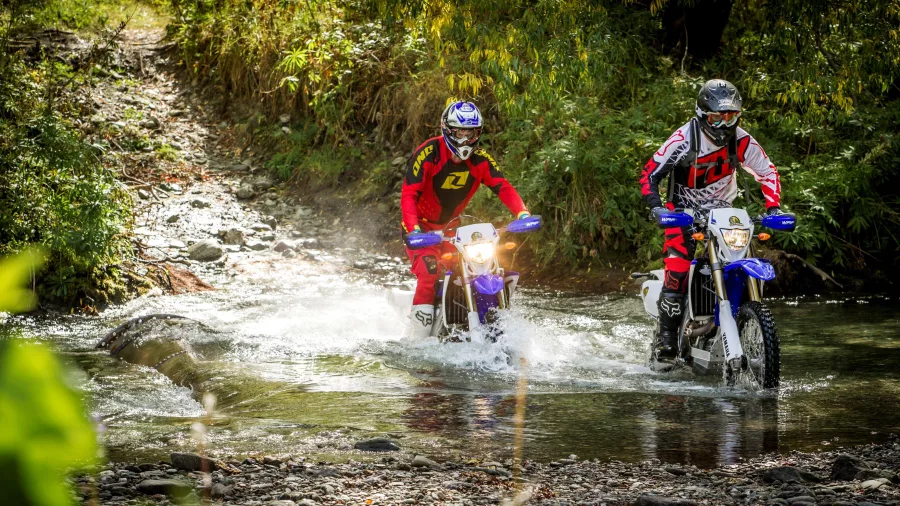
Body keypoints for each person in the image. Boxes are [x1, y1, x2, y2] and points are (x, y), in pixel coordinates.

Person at [639, 79, 784, 359]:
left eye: (730, 117)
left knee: (741, 259)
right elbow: (649, 174)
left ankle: (741, 318)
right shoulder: (684, 139)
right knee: (679, 266)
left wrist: (773, 208)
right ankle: (666, 339)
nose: (724, 124)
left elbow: (768, 172)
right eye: (717, 117)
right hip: (682, 211)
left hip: (724, 211)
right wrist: (657, 208)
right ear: (703, 114)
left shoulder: (741, 140)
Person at [401, 100, 530, 338]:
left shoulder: (480, 159)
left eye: (470, 131)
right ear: (448, 129)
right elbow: (409, 193)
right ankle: (415, 339)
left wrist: (522, 214)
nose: (465, 137)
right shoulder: (429, 153)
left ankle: (491, 325)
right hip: (422, 229)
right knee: (430, 271)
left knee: (479, 267)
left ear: (477, 132)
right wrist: (414, 230)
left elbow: (503, 187)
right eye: (460, 131)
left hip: (452, 228)